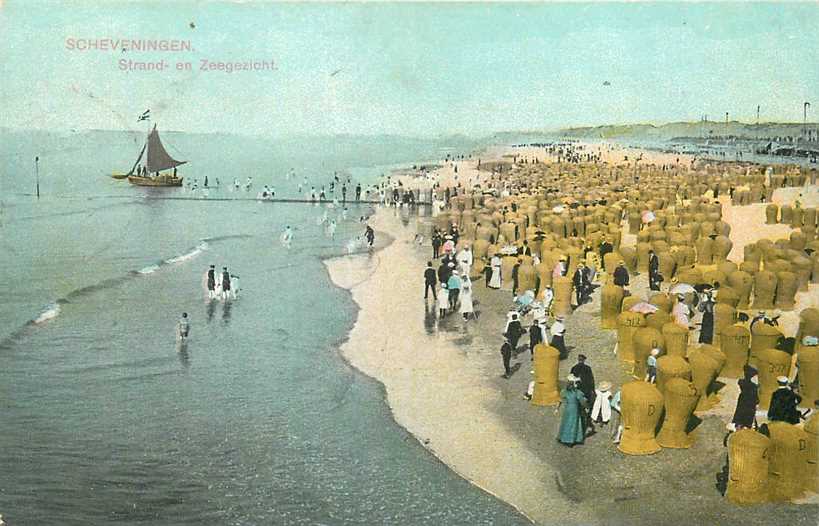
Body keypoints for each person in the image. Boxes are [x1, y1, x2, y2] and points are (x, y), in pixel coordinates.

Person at [555, 375, 587, 447]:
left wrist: (557, 409)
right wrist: (586, 406)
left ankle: (563, 437)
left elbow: (559, 400)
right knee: (573, 424)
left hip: (567, 409)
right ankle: (570, 440)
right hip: (575, 409)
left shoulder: (565, 391)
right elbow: (582, 402)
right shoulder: (577, 392)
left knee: (566, 422)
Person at [571, 354, 596, 434]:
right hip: (586, 391)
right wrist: (593, 390)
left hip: (577, 390)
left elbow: (571, 379)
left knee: (578, 407)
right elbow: (591, 380)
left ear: (578, 360)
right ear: (584, 360)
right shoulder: (588, 368)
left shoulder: (574, 368)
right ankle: (586, 421)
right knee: (587, 406)